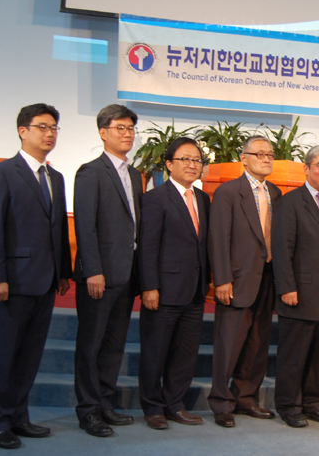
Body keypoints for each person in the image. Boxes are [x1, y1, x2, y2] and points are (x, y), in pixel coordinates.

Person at [0, 104, 72, 449]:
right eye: (42, 126)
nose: (50, 133)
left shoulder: (55, 177)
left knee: (29, 357)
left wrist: (63, 271)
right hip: (12, 281)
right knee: (3, 356)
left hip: (45, 281)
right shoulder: (1, 173)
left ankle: (19, 417)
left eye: (54, 128)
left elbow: (58, 229)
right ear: (22, 130)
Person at [72, 104, 142, 436]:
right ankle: (88, 410)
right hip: (99, 275)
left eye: (131, 128)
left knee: (114, 345)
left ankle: (104, 403)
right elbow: (85, 226)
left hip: (126, 274)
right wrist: (92, 270)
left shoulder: (136, 174)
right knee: (91, 345)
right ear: (103, 132)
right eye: (120, 128)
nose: (127, 134)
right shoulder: (90, 172)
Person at [207, 136, 282, 428]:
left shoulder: (275, 192)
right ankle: (221, 401)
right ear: (244, 158)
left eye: (270, 154)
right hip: (237, 279)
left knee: (258, 344)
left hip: (268, 279)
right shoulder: (228, 192)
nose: (266, 159)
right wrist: (222, 279)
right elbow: (218, 238)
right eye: (259, 154)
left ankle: (246, 398)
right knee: (228, 344)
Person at [272, 145, 319, 428]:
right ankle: (289, 406)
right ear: (306, 168)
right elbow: (282, 248)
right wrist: (286, 287)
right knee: (294, 355)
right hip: (299, 292)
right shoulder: (290, 202)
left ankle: (313, 403)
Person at [138, 137, 210, 430]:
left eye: (197, 160)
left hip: (194, 289)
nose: (192, 165)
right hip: (164, 290)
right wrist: (149, 286)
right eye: (185, 159)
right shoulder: (155, 198)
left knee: (185, 353)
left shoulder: (203, 198)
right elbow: (148, 246)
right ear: (169, 164)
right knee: (155, 352)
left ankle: (175, 404)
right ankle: (153, 407)